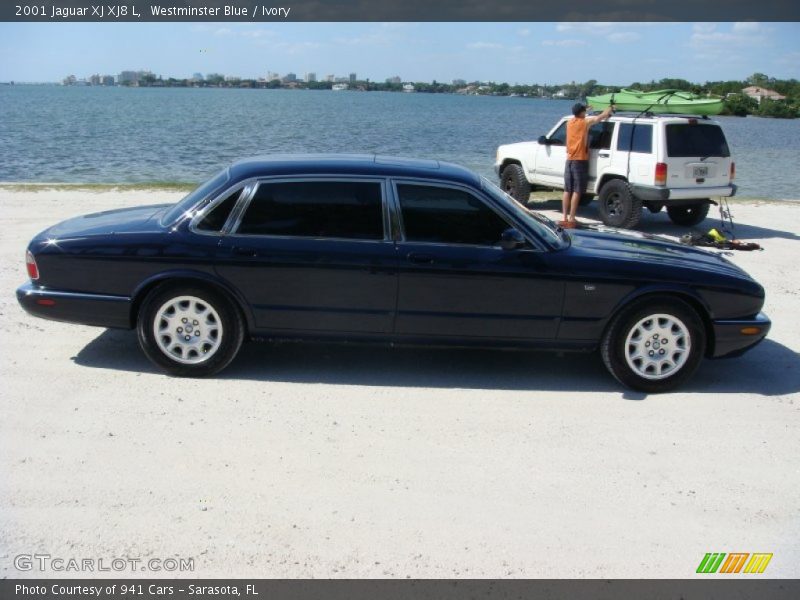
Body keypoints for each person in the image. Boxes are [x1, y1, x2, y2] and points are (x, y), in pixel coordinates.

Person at [561, 102, 614, 228]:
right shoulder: (584, 123)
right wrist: (608, 110)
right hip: (580, 160)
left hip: (569, 159)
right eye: (584, 111)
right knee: (577, 191)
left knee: (567, 190)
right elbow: (600, 118)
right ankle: (572, 218)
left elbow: (583, 116)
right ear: (582, 113)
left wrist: (587, 109)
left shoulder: (569, 123)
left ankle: (564, 217)